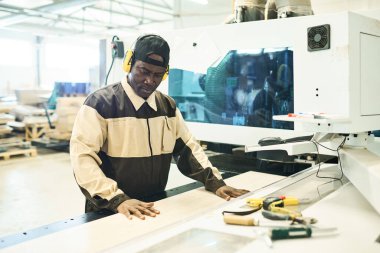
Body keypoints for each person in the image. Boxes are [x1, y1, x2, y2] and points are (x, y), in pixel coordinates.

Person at [70, 34, 249, 220]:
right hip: (109, 209)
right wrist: (117, 199)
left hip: (152, 206)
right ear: (129, 64)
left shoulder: (167, 107)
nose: (150, 80)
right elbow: (82, 159)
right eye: (143, 71)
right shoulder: (100, 104)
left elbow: (188, 148)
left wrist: (215, 183)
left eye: (157, 75)